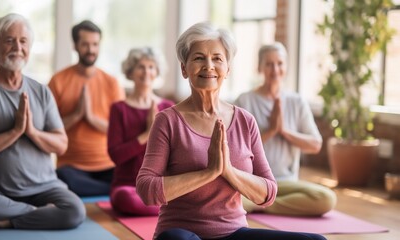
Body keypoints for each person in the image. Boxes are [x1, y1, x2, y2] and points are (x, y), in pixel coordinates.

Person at [136, 22, 326, 240]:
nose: (209, 65)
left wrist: (228, 171)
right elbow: (146, 189)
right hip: (183, 234)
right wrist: (207, 173)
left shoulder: (245, 120)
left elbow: (269, 192)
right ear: (184, 68)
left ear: (227, 69)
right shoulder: (168, 121)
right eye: (199, 58)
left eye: (217, 58)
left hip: (233, 233)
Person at [0, 13, 85, 229]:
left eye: (23, 41)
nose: (17, 47)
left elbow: (61, 145)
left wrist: (31, 130)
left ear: (29, 48)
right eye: (8, 40)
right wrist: (15, 131)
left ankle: (6, 221)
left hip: (44, 187)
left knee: (75, 210)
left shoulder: (41, 92)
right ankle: (37, 214)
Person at [235, 42, 337, 216]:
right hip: (254, 183)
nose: (275, 69)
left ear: (286, 67)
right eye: (269, 64)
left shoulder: (297, 102)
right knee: (226, 203)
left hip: (286, 183)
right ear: (260, 67)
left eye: (280, 63)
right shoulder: (245, 101)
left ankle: (262, 205)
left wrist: (283, 131)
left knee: (326, 199)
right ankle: (260, 201)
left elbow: (315, 145)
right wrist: (270, 131)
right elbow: (236, 150)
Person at [48, 20, 125, 197]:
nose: (91, 50)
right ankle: (113, 190)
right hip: (72, 168)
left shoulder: (111, 83)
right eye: (85, 44)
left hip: (109, 165)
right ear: (75, 45)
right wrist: (76, 115)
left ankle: (111, 188)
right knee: (61, 178)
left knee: (134, 177)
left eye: (95, 44)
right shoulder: (58, 81)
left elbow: (121, 131)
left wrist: (90, 117)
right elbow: (50, 130)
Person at [108, 47, 174, 216]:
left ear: (157, 71)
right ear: (130, 72)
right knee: (126, 198)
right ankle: (172, 208)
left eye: (151, 66)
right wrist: (147, 134)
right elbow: (116, 155)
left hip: (159, 186)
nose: (146, 72)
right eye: (141, 67)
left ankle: (169, 205)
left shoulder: (168, 108)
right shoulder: (119, 109)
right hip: (128, 187)